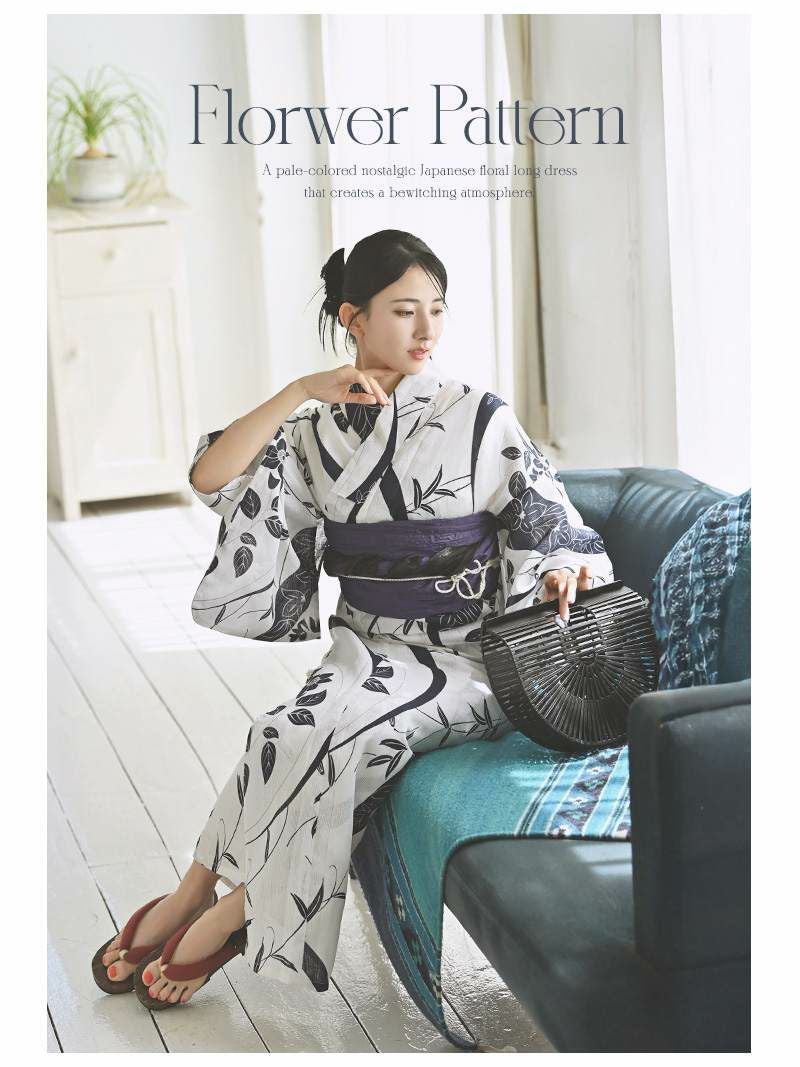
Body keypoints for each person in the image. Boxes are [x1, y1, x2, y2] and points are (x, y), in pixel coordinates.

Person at [92, 229, 614, 1009]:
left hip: (474, 659)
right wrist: (299, 390)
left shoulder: (479, 416)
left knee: (354, 736)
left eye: (436, 308)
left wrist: (562, 566)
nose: (427, 328)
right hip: (367, 647)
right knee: (280, 729)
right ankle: (192, 889)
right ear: (353, 318)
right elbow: (211, 475)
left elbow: (552, 520)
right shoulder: (314, 432)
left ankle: (239, 910)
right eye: (404, 310)